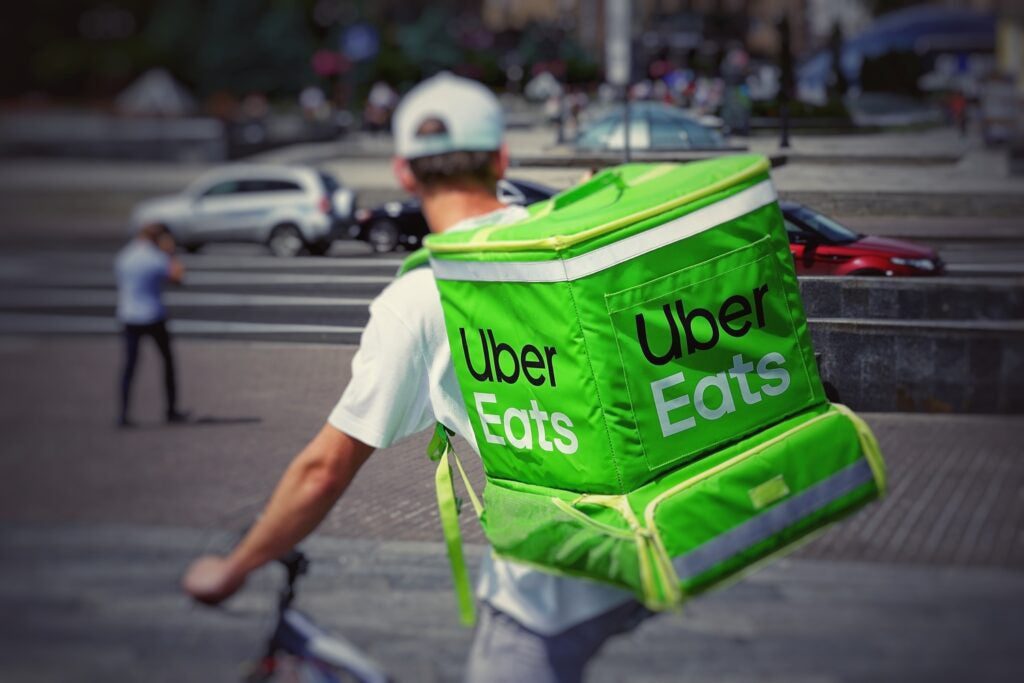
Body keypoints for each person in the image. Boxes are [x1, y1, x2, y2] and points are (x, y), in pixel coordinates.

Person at [181, 73, 649, 682]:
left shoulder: (422, 297)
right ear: (501, 158)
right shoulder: (563, 241)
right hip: (664, 533)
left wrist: (234, 568)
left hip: (558, 573)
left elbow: (325, 468)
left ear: (404, 173)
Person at [115, 222, 187, 427]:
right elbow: (178, 277)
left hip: (128, 316)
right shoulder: (156, 258)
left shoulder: (124, 256)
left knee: (130, 367)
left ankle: (123, 413)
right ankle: (171, 410)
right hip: (153, 315)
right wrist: (171, 254)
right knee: (167, 363)